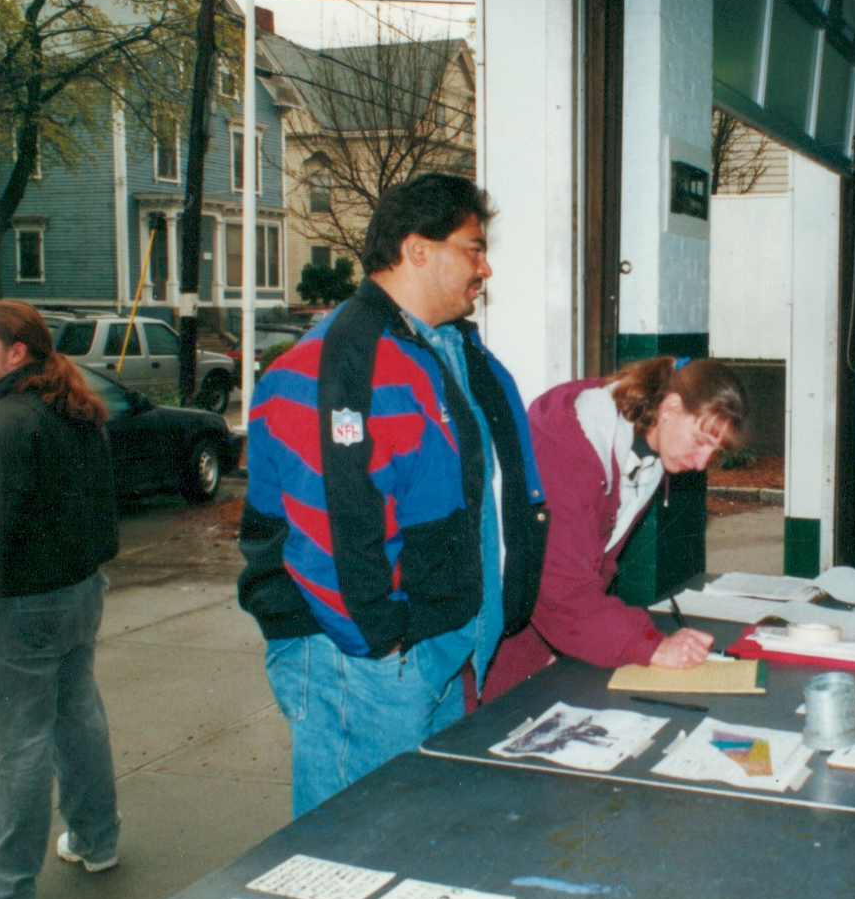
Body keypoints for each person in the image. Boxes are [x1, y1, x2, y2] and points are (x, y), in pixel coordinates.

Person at [239, 173, 549, 817]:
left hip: (432, 646)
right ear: (418, 249)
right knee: (354, 845)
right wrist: (381, 643)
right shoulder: (337, 363)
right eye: (473, 247)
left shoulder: (448, 352)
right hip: (368, 663)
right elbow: (328, 531)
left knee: (409, 836)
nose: (485, 267)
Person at [482, 357, 746, 701]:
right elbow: (559, 585)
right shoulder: (573, 444)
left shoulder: (650, 448)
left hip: (542, 624)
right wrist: (648, 647)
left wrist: (575, 643)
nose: (701, 463)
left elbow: (597, 560)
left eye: (714, 452)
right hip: (496, 623)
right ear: (670, 407)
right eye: (700, 440)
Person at [0, 302, 120, 899]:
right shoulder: (78, 411)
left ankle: (9, 889)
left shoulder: (8, 422)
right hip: (80, 592)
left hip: (23, 607)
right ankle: (98, 842)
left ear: (16, 351)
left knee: (20, 742)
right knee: (77, 717)